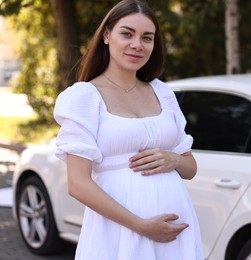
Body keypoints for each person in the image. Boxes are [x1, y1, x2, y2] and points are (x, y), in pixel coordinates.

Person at [53, 1, 204, 259]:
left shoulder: (162, 93)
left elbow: (190, 169)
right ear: (107, 35)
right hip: (118, 231)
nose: (138, 44)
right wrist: (141, 226)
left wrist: (175, 159)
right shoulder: (84, 97)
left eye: (147, 38)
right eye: (127, 33)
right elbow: (78, 184)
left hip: (175, 231)